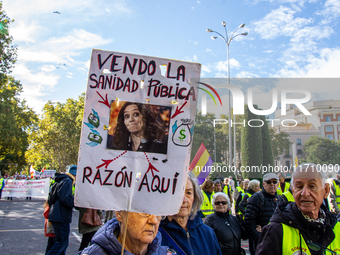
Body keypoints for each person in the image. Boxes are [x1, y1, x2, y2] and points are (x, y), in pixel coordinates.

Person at [256, 163, 340, 255]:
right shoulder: (276, 230)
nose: (305, 193)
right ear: (293, 191)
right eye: (299, 187)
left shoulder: (336, 227)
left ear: (326, 190)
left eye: (312, 186)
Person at [160, 172, 222, 255]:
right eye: (178, 193)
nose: (184, 200)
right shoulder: (155, 236)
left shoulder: (208, 233)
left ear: (195, 197)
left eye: (188, 193)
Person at [79, 211, 173, 255]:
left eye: (158, 212)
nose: (154, 220)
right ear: (120, 213)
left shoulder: (166, 253)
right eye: (144, 212)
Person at [243, 174, 284, 255]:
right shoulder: (256, 198)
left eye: (274, 182)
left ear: (278, 184)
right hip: (261, 246)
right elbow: (248, 223)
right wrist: (261, 238)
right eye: (269, 182)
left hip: (278, 244)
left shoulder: (280, 199)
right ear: (263, 184)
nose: (272, 184)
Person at [46, 165, 77, 255]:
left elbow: (51, 199)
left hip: (55, 214)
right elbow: (65, 198)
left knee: (54, 242)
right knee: (62, 243)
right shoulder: (67, 181)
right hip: (61, 216)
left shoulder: (60, 180)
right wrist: (75, 201)